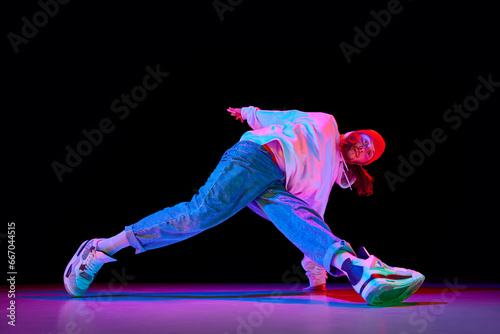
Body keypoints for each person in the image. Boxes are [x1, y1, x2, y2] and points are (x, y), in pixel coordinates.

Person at [64, 106, 424, 306]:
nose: (362, 145)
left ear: (363, 163)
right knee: (199, 215)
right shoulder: (326, 122)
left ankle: (356, 270)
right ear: (351, 133)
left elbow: (310, 217)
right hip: (254, 159)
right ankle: (99, 249)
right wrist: (249, 112)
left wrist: (316, 274)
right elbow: (281, 117)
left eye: (368, 150)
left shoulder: (326, 178)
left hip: (272, 184)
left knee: (293, 213)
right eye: (362, 138)